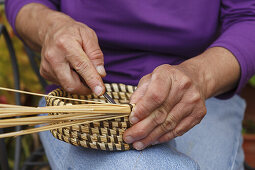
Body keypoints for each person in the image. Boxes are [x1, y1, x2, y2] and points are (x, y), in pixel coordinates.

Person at [5, 0, 255, 169]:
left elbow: (248, 17)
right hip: (79, 105)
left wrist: (199, 77)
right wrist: (51, 27)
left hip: (199, 97)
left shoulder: (196, 88)